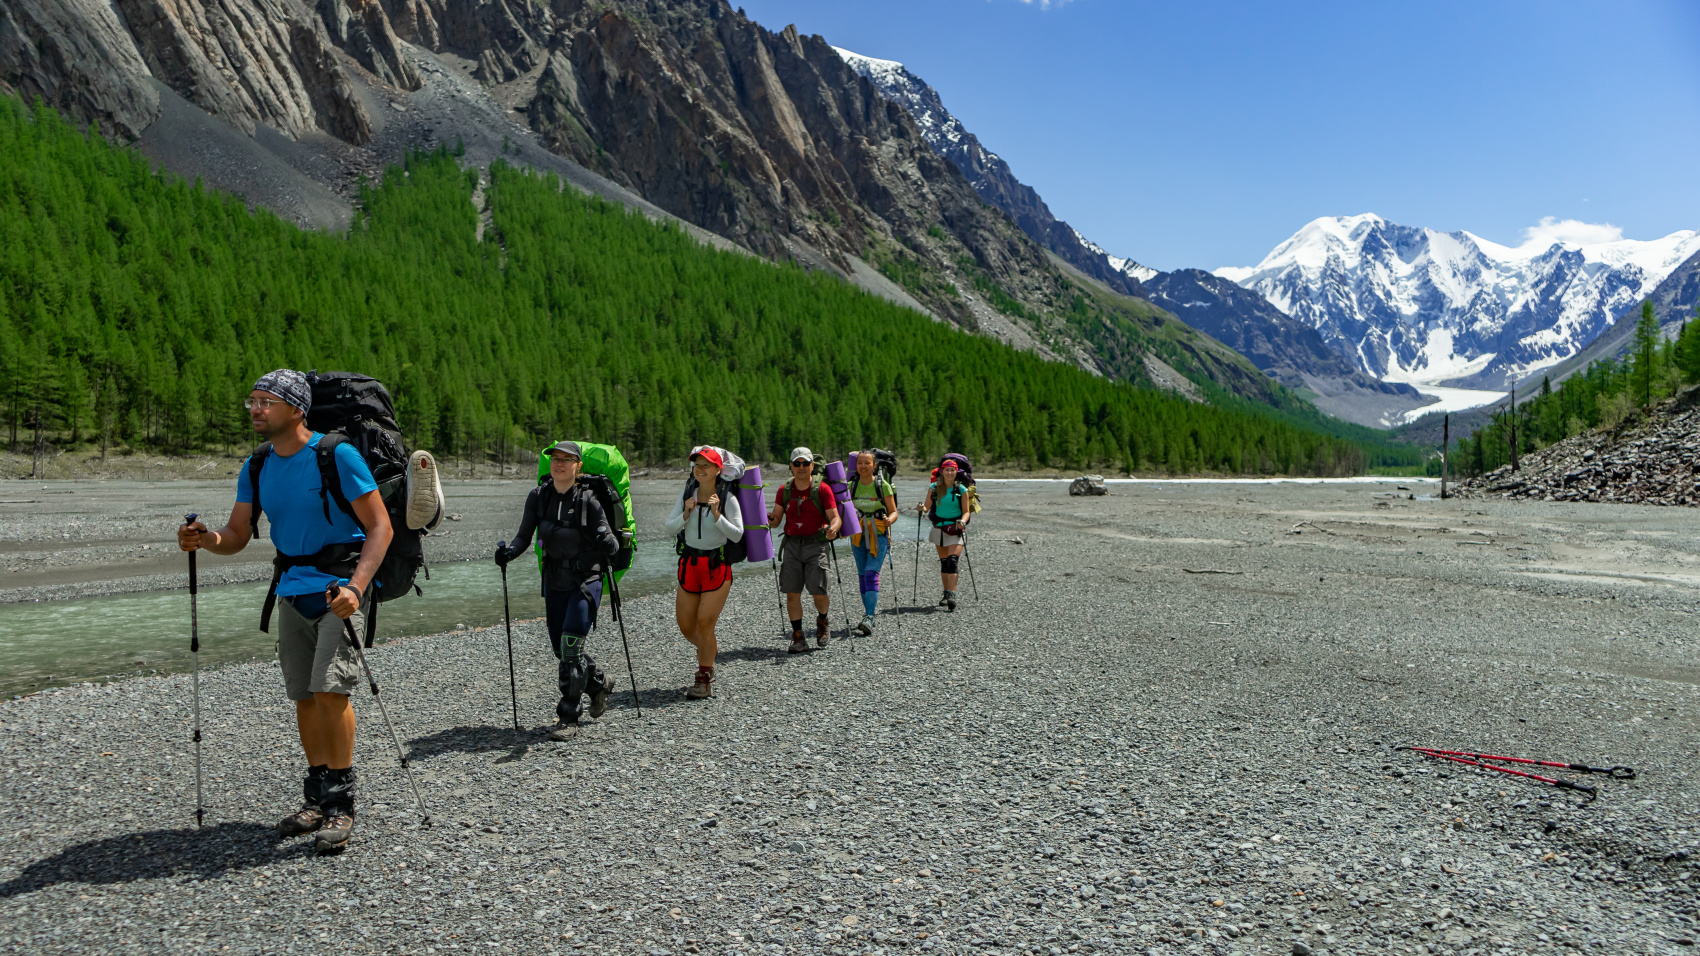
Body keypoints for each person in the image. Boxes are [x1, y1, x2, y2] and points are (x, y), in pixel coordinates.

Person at [176, 369, 393, 854]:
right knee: (305, 697)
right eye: (252, 401)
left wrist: (357, 588)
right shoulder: (257, 464)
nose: (255, 409)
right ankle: (316, 798)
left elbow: (380, 527)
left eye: (266, 401)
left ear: (297, 409)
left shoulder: (337, 454)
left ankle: (341, 805)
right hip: (292, 591)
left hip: (340, 589)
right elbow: (236, 535)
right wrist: (204, 539)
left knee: (330, 691)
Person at [494, 441, 620, 741]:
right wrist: (509, 553)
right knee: (561, 651)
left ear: (578, 466)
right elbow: (524, 536)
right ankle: (599, 683)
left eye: (567, 459)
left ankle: (568, 717)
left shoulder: (590, 500)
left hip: (586, 580)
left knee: (571, 646)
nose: (559, 463)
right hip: (554, 580)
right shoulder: (538, 497)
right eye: (555, 459)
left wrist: (604, 539)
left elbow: (613, 546)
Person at [663, 446, 744, 699]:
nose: (700, 469)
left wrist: (717, 514)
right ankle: (709, 651)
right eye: (697, 464)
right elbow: (669, 528)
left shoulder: (727, 498)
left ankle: (704, 677)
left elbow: (737, 534)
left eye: (706, 465)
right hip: (689, 565)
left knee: (705, 623)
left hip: (716, 567)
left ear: (718, 470)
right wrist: (686, 514)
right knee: (686, 626)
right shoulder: (687, 494)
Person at [767, 446, 841, 654]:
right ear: (791, 466)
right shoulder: (784, 490)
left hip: (816, 544)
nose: (801, 467)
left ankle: (823, 621)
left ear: (812, 465)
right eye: (797, 463)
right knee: (792, 593)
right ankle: (798, 636)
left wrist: (833, 529)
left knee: (819, 592)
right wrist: (770, 519)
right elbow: (776, 519)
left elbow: (835, 517)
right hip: (792, 545)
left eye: (805, 463)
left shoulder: (822, 489)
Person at [847, 450, 899, 635]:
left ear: (874, 465)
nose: (863, 466)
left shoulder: (882, 485)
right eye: (860, 463)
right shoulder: (851, 486)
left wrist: (889, 520)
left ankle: (869, 616)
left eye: (867, 463)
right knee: (862, 575)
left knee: (870, 574)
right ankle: (868, 615)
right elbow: (843, 509)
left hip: (879, 535)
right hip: (858, 536)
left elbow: (894, 512)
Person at [916, 456, 972, 612]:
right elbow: (927, 507)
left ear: (956, 472)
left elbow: (966, 511)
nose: (949, 473)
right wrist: (921, 508)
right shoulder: (934, 488)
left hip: (956, 528)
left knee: (953, 560)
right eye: (947, 470)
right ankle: (946, 593)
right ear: (942, 471)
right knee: (944, 562)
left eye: (952, 470)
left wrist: (962, 521)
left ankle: (952, 594)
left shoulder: (962, 489)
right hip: (939, 528)